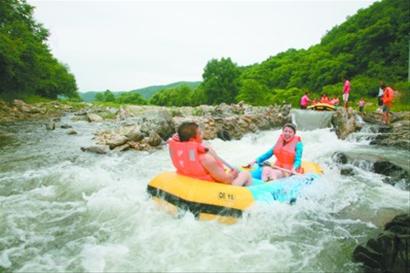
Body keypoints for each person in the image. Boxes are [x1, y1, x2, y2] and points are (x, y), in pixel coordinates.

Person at [168, 121, 252, 186]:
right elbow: (226, 180)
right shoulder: (206, 158)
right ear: (191, 139)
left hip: (194, 181)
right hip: (216, 188)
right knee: (245, 174)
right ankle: (250, 193)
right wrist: (234, 173)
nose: (202, 135)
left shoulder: (181, 153)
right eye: (200, 133)